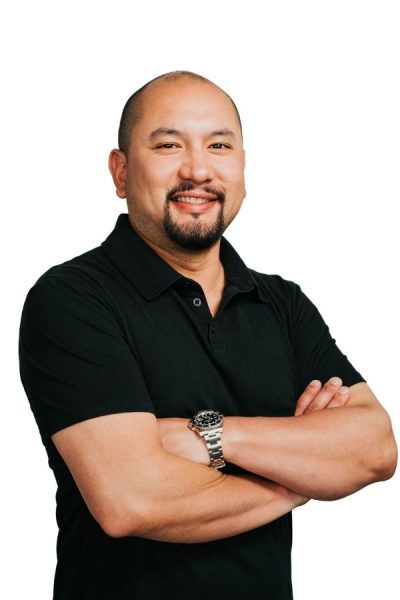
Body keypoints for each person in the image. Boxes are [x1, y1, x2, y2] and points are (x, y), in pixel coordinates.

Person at [19, 70, 397, 600]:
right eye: (168, 145)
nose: (198, 170)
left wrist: (210, 436)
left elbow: (375, 450)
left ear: (241, 165)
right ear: (121, 172)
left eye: (219, 145)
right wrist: (300, 480)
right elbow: (133, 502)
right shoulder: (73, 299)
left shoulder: (281, 303)